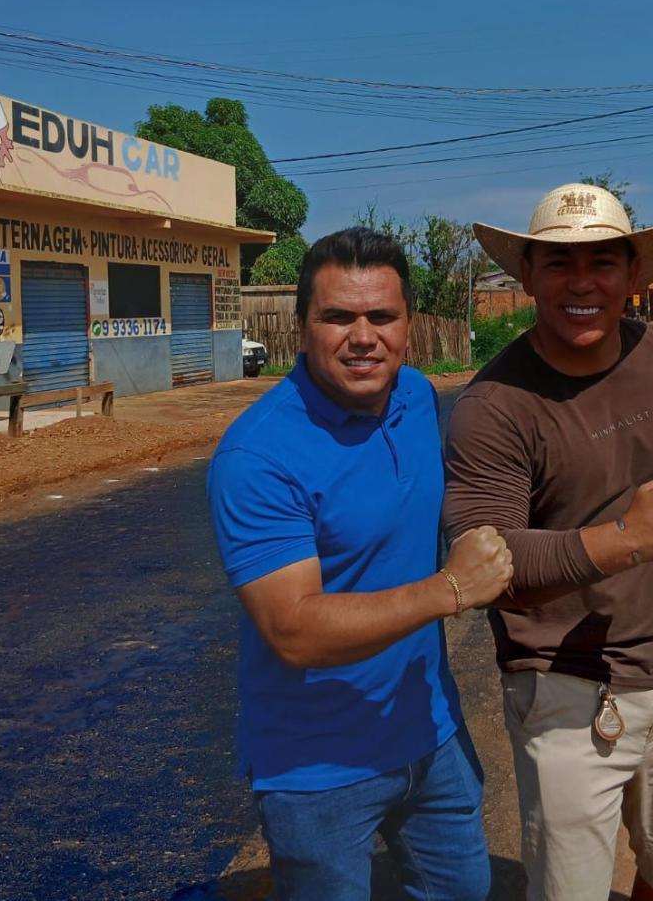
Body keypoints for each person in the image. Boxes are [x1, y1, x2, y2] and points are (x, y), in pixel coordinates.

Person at [443, 183, 653, 901]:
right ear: (528, 276)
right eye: (559, 265)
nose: (582, 284)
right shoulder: (495, 405)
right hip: (563, 685)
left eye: (603, 263)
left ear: (634, 276)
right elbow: (492, 564)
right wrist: (628, 540)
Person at [208, 227, 513, 901]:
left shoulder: (415, 398)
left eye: (382, 315)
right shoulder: (258, 455)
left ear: (408, 324)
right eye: (338, 316)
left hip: (429, 730)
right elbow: (295, 630)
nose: (363, 335)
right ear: (301, 327)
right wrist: (452, 587)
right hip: (316, 765)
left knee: (463, 888)